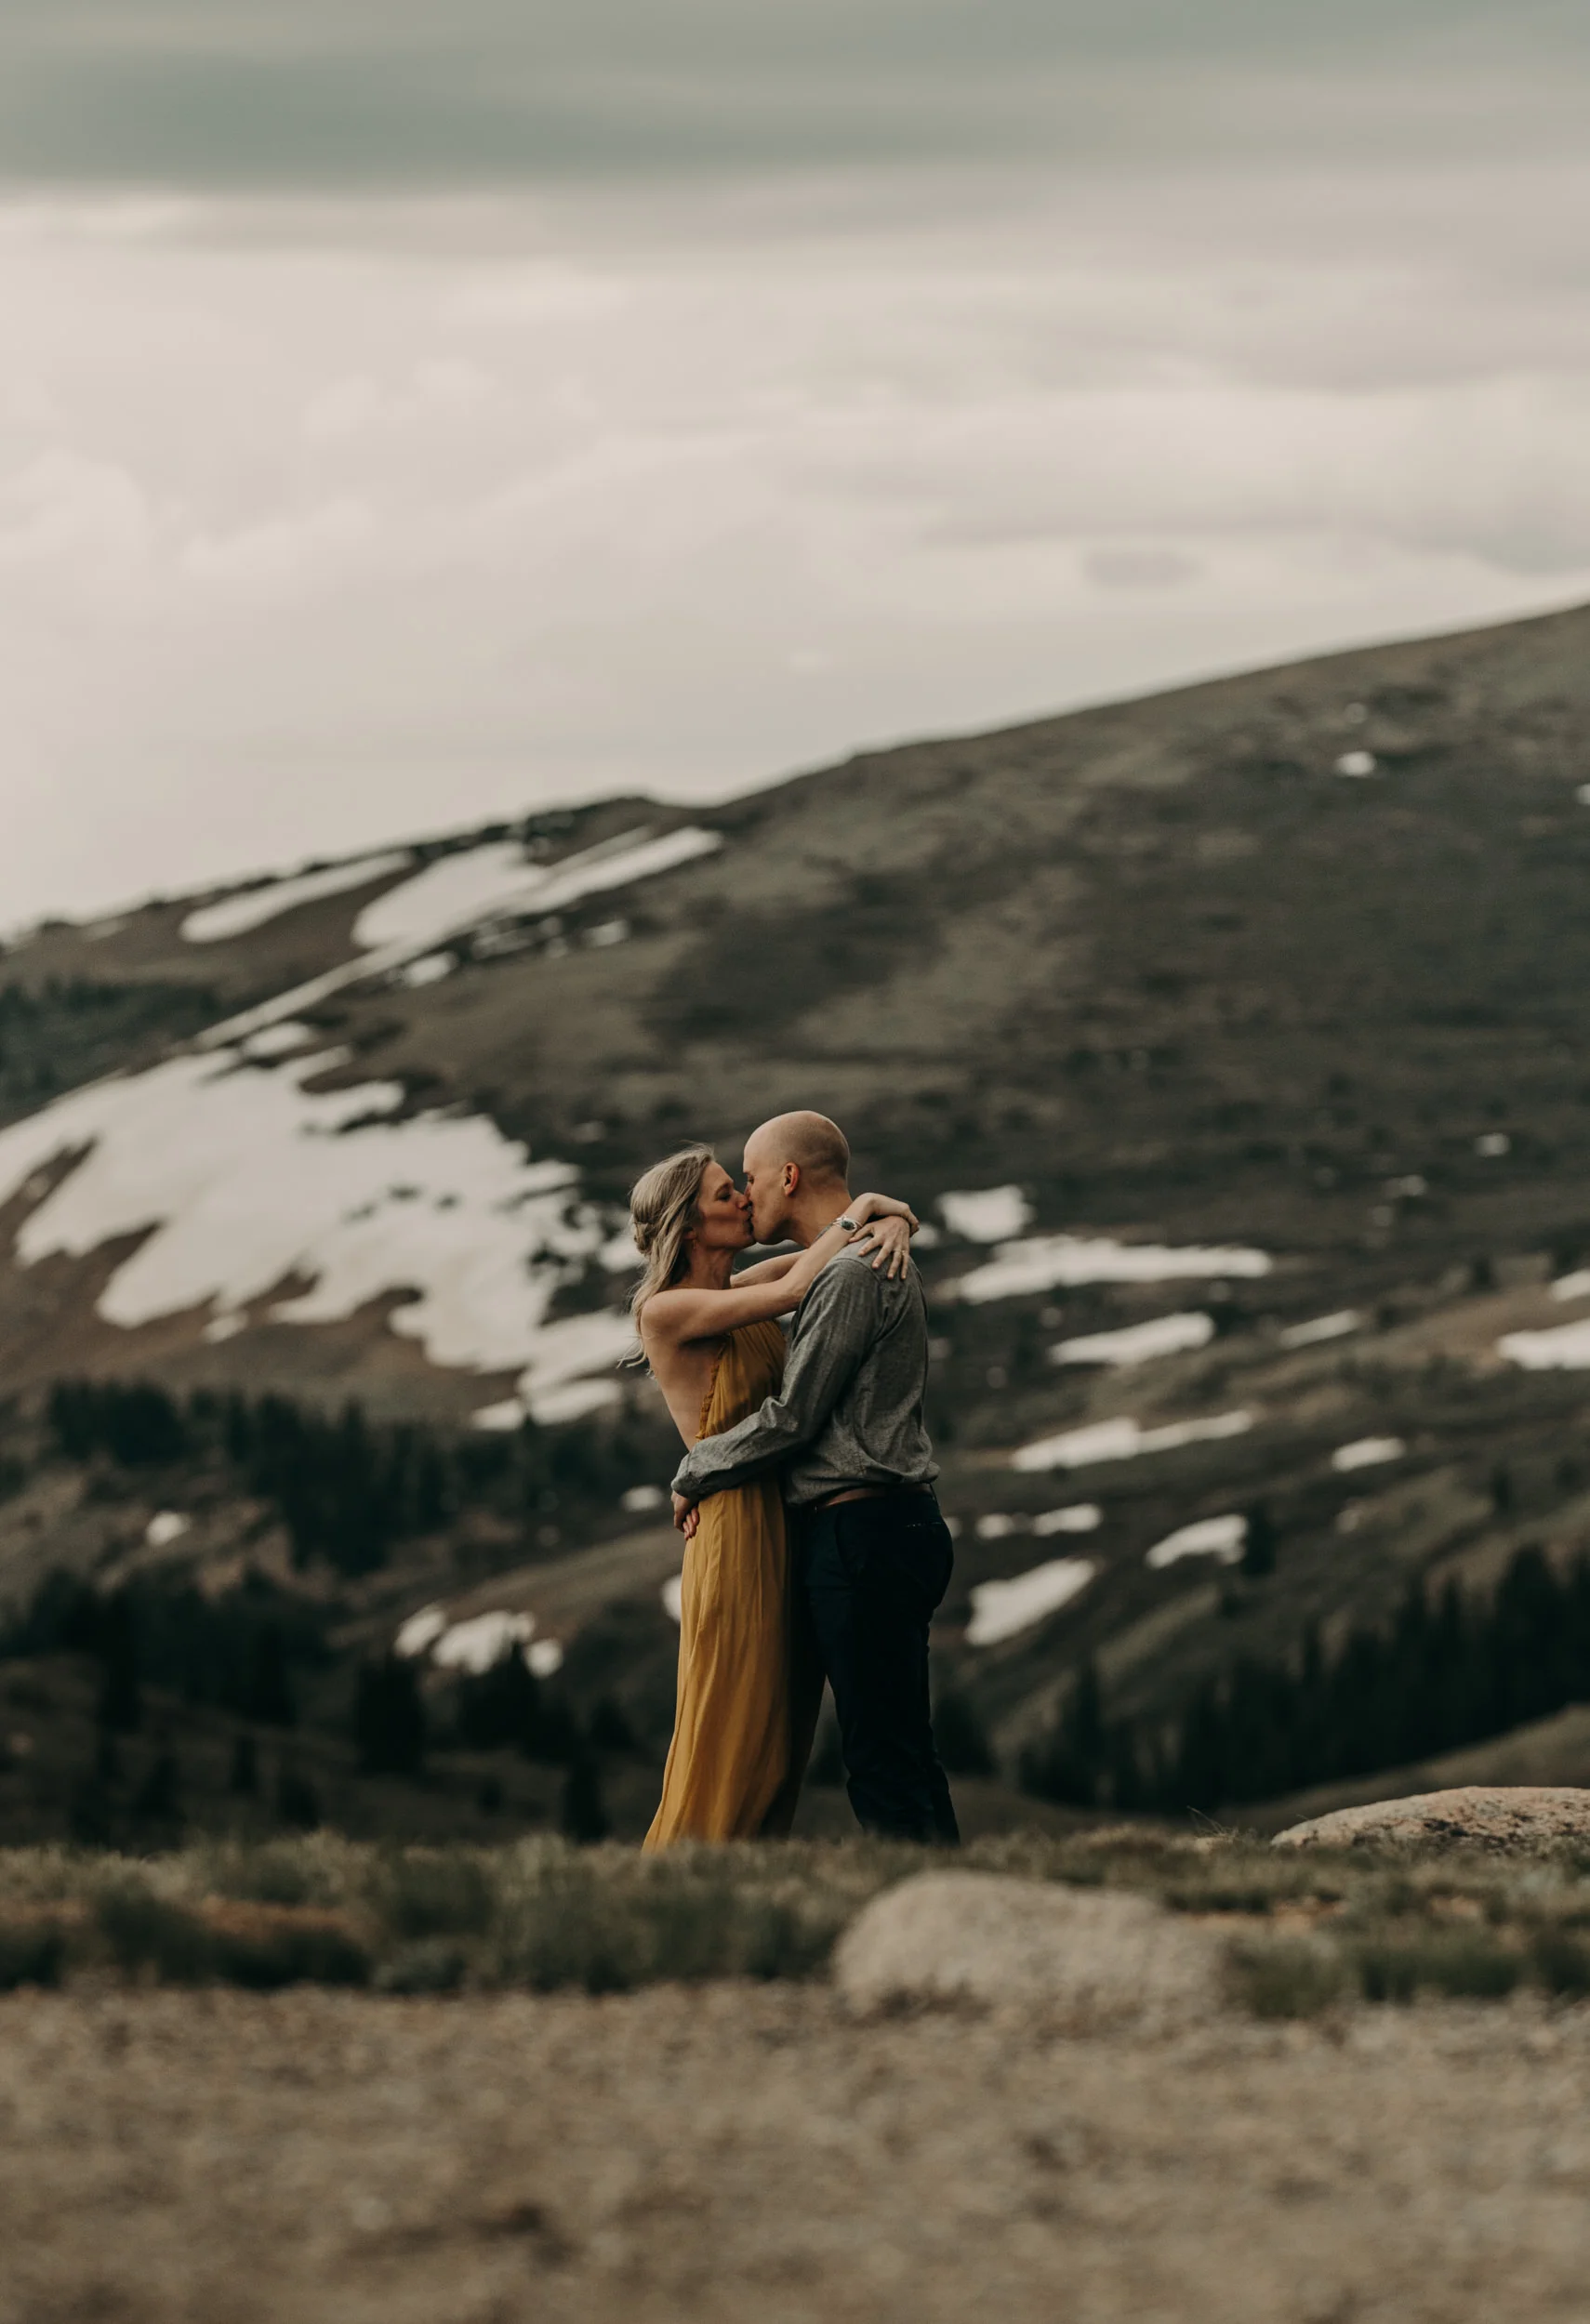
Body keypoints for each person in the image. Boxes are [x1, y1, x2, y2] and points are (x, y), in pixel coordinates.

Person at [671, 1111, 961, 1846]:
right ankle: (949, 1894)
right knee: (900, 1745)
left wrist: (696, 1466)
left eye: (753, 1177)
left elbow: (794, 1418)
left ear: (790, 1178)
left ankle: (929, 1920)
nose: (746, 1193)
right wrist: (886, 1208)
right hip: (895, 1525)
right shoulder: (866, 1256)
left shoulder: (846, 1275)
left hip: (862, 1532)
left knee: (880, 1757)